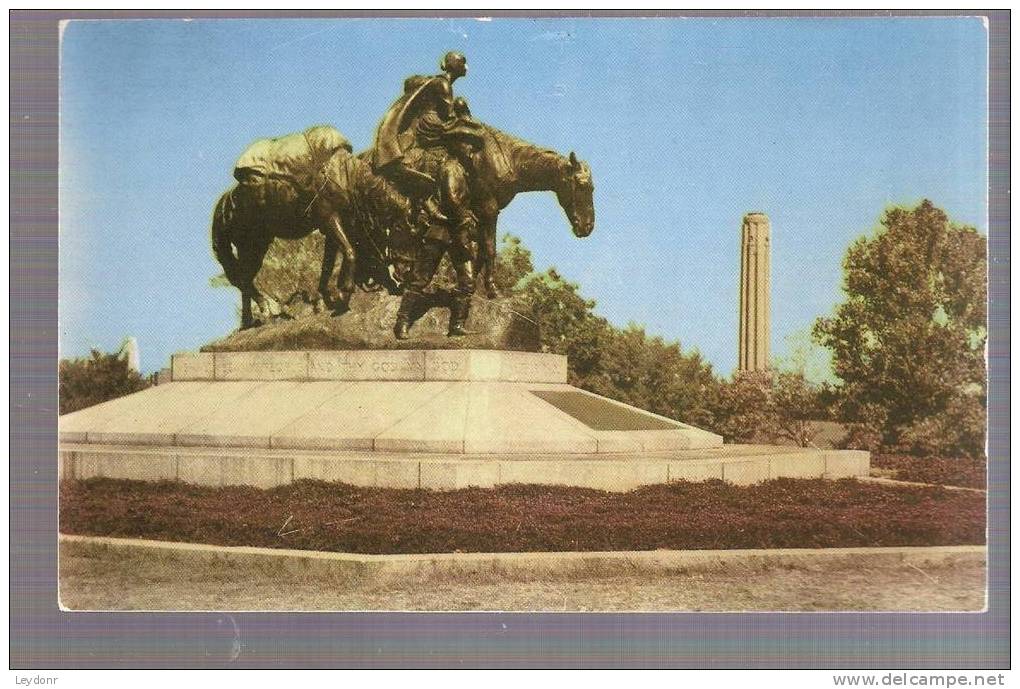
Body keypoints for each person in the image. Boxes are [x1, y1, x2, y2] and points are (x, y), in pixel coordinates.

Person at [392, 132, 481, 339]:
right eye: (467, 144)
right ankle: (402, 321)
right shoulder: (451, 168)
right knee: (420, 278)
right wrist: (466, 220)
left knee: (467, 280)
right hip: (442, 230)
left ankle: (457, 325)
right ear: (457, 145)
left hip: (458, 232)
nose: (470, 148)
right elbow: (451, 198)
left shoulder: (464, 169)